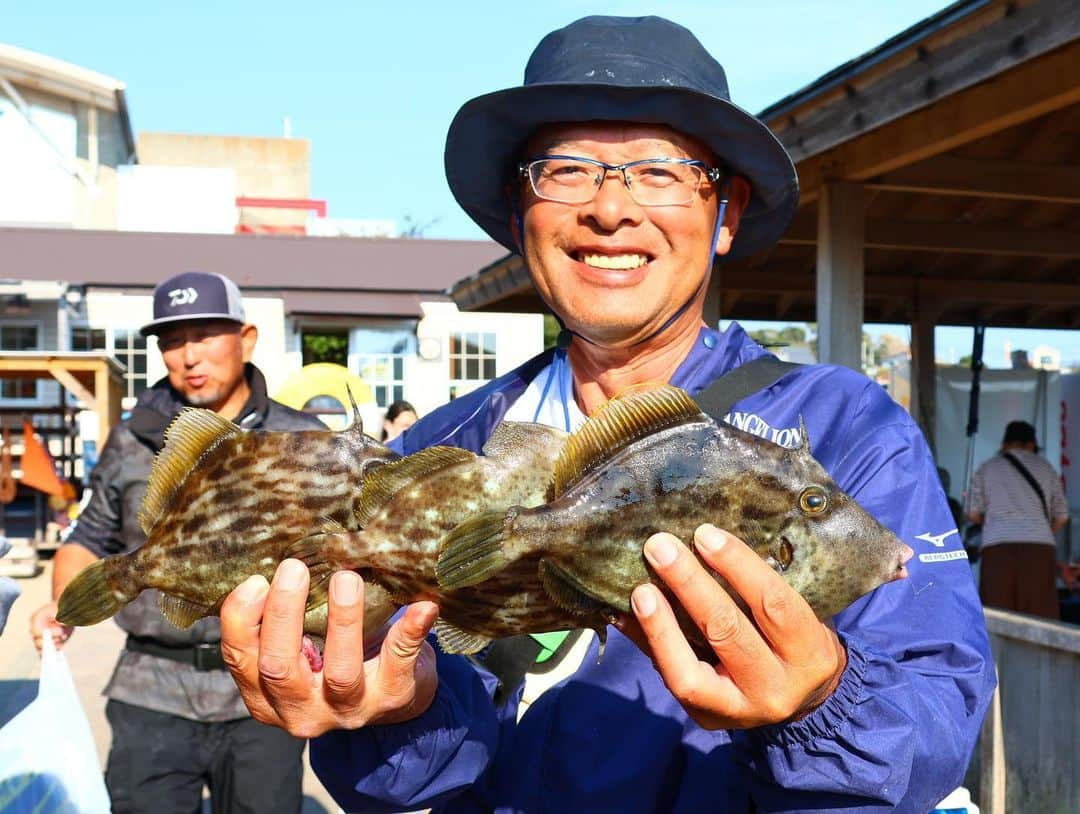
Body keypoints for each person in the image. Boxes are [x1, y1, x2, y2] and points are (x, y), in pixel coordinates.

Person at [218, 16, 996, 812]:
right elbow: (420, 774)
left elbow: (931, 716)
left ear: (725, 213)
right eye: (566, 170)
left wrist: (824, 693)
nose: (611, 208)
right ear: (521, 213)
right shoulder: (442, 452)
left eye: (661, 171)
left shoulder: (843, 429)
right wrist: (385, 709)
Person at [29, 271, 325, 814]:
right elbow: (91, 534)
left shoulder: (302, 440)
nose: (188, 356)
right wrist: (64, 603)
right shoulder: (133, 436)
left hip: (265, 686)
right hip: (152, 687)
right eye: (172, 340)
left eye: (206, 334)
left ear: (247, 337)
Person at [966, 420, 1068, 619]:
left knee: (999, 618)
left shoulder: (988, 468)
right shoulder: (1045, 468)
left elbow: (972, 512)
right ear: (1032, 444)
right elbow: (1062, 515)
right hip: (1039, 550)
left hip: (998, 550)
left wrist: (992, 522)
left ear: (1005, 444)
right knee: (1040, 620)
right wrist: (1041, 530)